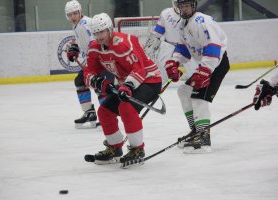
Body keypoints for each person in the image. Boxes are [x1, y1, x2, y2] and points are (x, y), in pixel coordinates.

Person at [84, 13, 162, 164]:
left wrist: (127, 86)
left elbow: (140, 69)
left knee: (126, 108)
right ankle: (115, 147)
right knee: (104, 112)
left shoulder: (124, 43)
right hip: (126, 84)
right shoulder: (95, 48)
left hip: (149, 80)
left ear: (110, 29)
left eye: (102, 32)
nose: (99, 36)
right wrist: (96, 81)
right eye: (96, 33)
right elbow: (89, 71)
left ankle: (137, 149)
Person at [165, 0, 230, 153]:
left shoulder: (201, 21)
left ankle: (203, 137)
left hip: (216, 64)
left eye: (188, 5)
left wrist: (205, 70)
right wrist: (174, 62)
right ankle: (196, 130)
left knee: (198, 97)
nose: (185, 8)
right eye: (182, 6)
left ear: (194, 5)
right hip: (206, 65)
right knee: (184, 91)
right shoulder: (183, 24)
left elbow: (213, 46)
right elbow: (184, 48)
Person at [65, 0, 106, 129]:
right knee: (81, 82)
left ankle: (106, 115)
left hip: (97, 60)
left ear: (80, 12)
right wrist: (75, 47)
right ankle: (90, 113)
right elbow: (85, 41)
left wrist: (94, 60)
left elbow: (96, 40)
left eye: (75, 13)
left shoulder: (85, 24)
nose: (73, 17)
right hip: (92, 59)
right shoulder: (79, 24)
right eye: (70, 14)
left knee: (99, 86)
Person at [144, 0, 197, 83]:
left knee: (194, 79)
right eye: (180, 4)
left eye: (186, 5)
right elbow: (157, 34)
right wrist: (146, 52)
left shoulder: (194, 16)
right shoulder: (166, 14)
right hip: (169, 49)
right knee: (161, 79)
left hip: (188, 49)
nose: (184, 8)